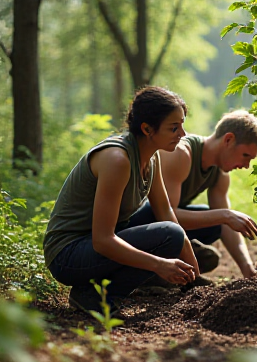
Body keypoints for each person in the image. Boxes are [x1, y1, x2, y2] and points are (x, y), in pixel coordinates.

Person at [43, 86, 200, 315]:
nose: (183, 134)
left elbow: (165, 211)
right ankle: (93, 296)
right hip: (67, 255)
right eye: (174, 128)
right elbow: (103, 241)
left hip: (93, 245)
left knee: (168, 230)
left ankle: (122, 283)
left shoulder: (151, 156)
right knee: (170, 235)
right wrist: (158, 264)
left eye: (182, 125)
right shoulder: (117, 160)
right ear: (147, 129)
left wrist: (194, 271)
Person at [159, 110, 257, 279]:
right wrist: (224, 215)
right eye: (245, 155)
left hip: (164, 225)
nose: (246, 165)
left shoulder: (220, 174)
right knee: (216, 217)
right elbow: (164, 215)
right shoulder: (181, 154)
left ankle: (172, 264)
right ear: (228, 140)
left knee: (214, 223)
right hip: (134, 223)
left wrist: (248, 269)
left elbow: (226, 226)